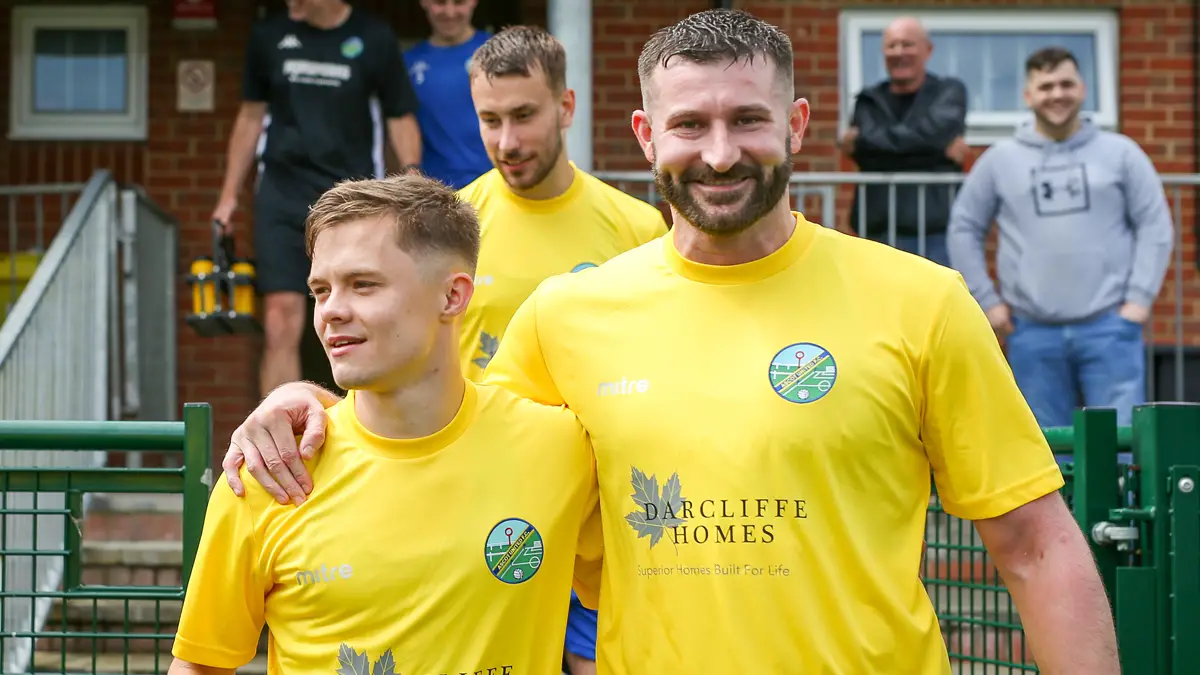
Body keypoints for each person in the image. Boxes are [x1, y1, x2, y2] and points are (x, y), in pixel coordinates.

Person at [220, 9, 1121, 675]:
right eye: (690, 124)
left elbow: (1037, 546)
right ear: (649, 136)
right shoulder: (566, 319)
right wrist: (309, 405)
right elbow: (438, 438)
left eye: (748, 120)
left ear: (796, 127)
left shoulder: (919, 299)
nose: (720, 153)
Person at [170, 174, 602, 675]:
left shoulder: (560, 448)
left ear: (453, 297)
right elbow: (199, 666)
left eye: (363, 285)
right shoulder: (270, 472)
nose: (331, 311)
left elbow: (634, 594)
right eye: (321, 290)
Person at [947, 46, 1174, 430]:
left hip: (1111, 328)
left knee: (1122, 446)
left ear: (1083, 89)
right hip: (1031, 332)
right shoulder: (1000, 160)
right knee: (1044, 449)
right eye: (1046, 85)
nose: (1057, 94)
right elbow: (964, 227)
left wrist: (1138, 301)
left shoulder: (1121, 153)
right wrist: (988, 302)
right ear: (1028, 95)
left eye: (1066, 83)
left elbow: (1155, 224)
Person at [211, 0, 422, 398]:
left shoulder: (374, 38)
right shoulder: (269, 36)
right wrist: (228, 197)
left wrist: (411, 173)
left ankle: (358, 432)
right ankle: (281, 440)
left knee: (356, 314)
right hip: (282, 193)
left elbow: (399, 115)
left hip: (350, 199)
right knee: (280, 319)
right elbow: (250, 117)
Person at [458, 25, 668, 386]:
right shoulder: (448, 224)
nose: (507, 142)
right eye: (491, 120)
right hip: (477, 441)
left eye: (524, 116)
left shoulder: (640, 227)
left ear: (566, 107)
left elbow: (661, 357)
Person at [839, 16, 968, 267]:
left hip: (935, 234)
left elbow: (933, 135)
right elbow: (931, 139)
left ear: (927, 50)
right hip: (875, 233)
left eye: (908, 44)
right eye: (892, 46)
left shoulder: (949, 91)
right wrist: (937, 150)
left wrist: (872, 145)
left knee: (933, 305)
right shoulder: (868, 99)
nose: (899, 52)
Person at [405, 0, 493, 189]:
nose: (450, 12)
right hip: (435, 191)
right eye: (440, 2)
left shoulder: (497, 52)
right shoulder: (409, 63)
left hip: (494, 184)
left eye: (459, 2)